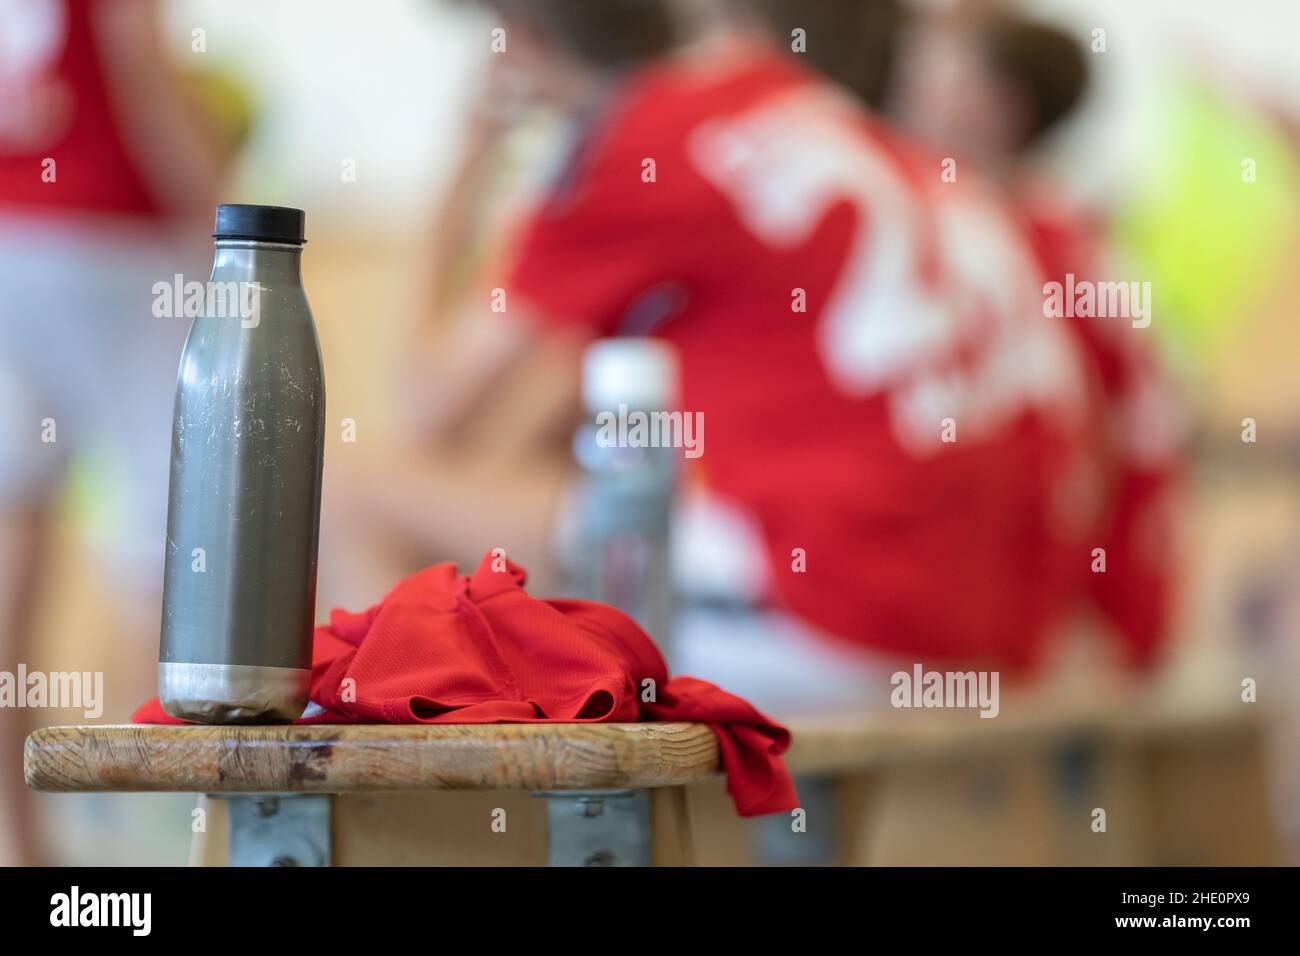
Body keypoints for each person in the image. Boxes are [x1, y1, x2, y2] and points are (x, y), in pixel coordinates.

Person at [329, 0, 1102, 715]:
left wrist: (467, 156)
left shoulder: (663, 130)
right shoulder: (856, 138)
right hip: (1001, 631)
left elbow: (425, 407)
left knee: (344, 494)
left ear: (524, 45)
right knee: (520, 538)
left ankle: (420, 829)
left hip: (845, 612)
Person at [0, 0, 226, 863]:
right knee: (170, 565)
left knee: (13, 558)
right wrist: (225, 222)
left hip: (10, 243)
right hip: (116, 241)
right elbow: (139, 63)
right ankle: (165, 844)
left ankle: (27, 850)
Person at [891, 7, 1184, 668]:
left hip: (1071, 616)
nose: (916, 94)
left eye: (943, 76)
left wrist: (1072, 613)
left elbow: (1090, 446)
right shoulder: (1047, 231)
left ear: (999, 109)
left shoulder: (1029, 246)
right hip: (1062, 607)